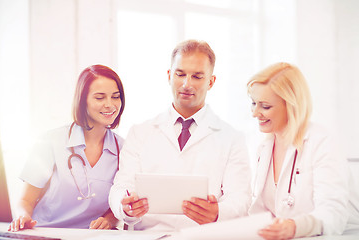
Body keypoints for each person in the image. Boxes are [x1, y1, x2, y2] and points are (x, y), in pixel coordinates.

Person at [109, 39, 251, 231]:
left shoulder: (232, 138)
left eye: (197, 76)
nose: (186, 84)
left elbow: (241, 199)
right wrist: (124, 207)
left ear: (211, 82)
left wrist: (218, 212)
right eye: (180, 74)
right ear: (169, 76)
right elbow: (120, 187)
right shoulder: (140, 132)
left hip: (204, 236)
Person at [8, 64, 125, 231]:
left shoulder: (124, 149)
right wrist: (23, 217)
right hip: (46, 231)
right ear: (82, 100)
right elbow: (25, 201)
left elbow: (120, 203)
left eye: (115, 97)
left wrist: (110, 220)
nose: (110, 105)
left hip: (93, 236)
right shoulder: (51, 141)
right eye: (100, 98)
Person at [247, 62, 349, 239]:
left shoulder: (321, 142)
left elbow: (334, 213)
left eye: (265, 106)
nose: (255, 113)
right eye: (253, 103)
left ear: (291, 105)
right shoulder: (263, 147)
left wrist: (295, 227)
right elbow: (261, 210)